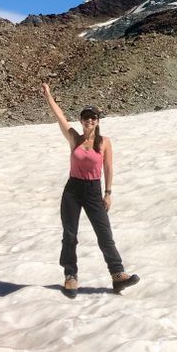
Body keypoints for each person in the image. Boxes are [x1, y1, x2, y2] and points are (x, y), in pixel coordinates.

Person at [42, 83, 139, 298]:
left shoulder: (104, 142)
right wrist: (48, 95)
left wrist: (108, 192)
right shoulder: (75, 138)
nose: (89, 120)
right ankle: (70, 276)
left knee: (105, 234)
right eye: (86, 117)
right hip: (73, 190)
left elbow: (108, 167)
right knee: (70, 234)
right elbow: (60, 117)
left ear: (97, 121)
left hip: (94, 190)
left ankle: (117, 275)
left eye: (93, 117)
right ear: (81, 121)